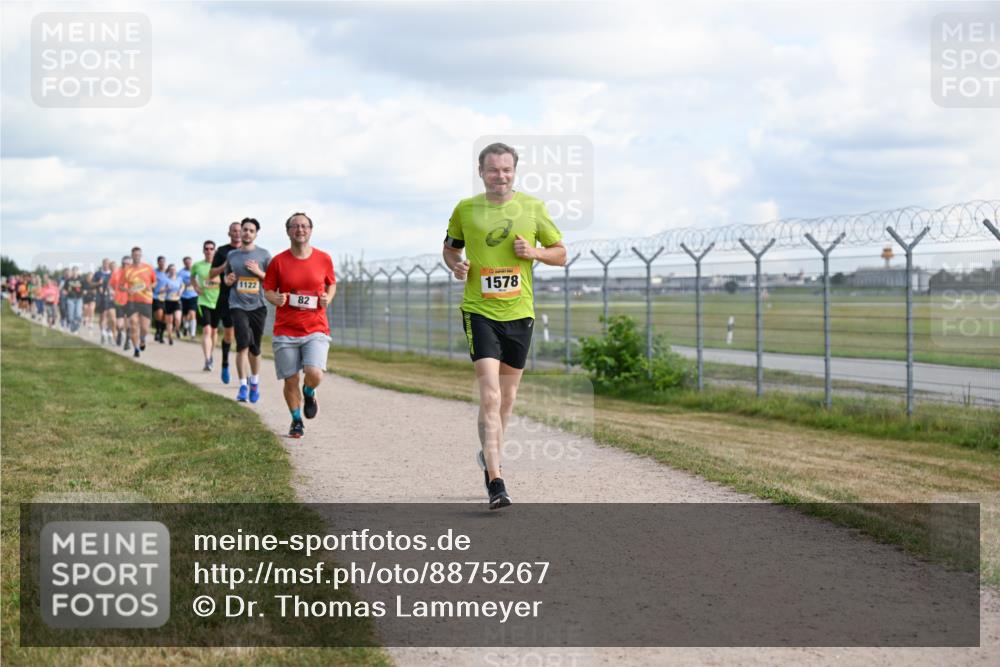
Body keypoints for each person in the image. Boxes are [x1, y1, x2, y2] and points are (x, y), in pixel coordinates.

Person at [442, 142, 566, 509]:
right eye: (493, 169)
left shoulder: (532, 207)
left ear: (515, 171)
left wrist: (535, 253)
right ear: (481, 172)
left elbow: (561, 253)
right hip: (479, 310)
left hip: (519, 312)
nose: (500, 176)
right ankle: (495, 479)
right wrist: (456, 265)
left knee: (507, 399)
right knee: (491, 396)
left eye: (507, 169)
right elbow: (451, 248)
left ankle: (489, 451)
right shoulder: (466, 209)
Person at [263, 212, 336, 438]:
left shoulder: (323, 258)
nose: (300, 230)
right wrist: (274, 298)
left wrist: (328, 298)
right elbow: (268, 289)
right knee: (290, 378)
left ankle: (309, 391)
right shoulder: (278, 261)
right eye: (295, 226)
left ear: (311, 230)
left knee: (315, 372)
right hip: (286, 329)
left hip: (315, 327)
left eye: (304, 226)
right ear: (288, 231)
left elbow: (331, 284)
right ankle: (296, 420)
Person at [222, 218, 270, 403]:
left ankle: (254, 383)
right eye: (245, 230)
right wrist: (228, 280)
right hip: (237, 305)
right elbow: (227, 278)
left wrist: (259, 272)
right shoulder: (232, 256)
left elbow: (272, 280)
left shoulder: (264, 255)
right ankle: (243, 385)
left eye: (251, 230)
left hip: (258, 306)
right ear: (240, 232)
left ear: (256, 234)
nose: (247, 233)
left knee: (255, 348)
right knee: (242, 345)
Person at [209, 222, 243, 383]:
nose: (237, 233)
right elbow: (211, 274)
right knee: (229, 334)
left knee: (244, 336)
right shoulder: (222, 251)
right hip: (227, 298)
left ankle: (246, 375)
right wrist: (224, 265)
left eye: (239, 230)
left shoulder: (249, 250)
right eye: (234, 231)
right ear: (229, 233)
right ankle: (225, 364)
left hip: (245, 298)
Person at [121, 246, 156, 357]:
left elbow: (154, 282)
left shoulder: (148, 268)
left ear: (141, 255)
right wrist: (127, 289)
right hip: (132, 301)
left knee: (145, 328)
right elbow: (121, 286)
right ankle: (136, 349)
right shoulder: (127, 270)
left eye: (138, 255)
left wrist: (150, 286)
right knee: (133, 324)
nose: (137, 256)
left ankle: (142, 339)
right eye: (135, 255)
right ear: (132, 256)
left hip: (146, 300)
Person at [191, 240, 220, 371]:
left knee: (214, 331)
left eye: (211, 249)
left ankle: (211, 354)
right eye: (206, 249)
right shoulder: (197, 265)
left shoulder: (220, 266)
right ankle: (207, 359)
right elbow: (192, 277)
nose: (209, 251)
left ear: (215, 251)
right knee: (207, 330)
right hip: (204, 301)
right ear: (203, 251)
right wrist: (196, 287)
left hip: (218, 301)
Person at [91, 259, 115, 344]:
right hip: (101, 297)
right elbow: (91, 284)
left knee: (111, 316)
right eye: (105, 263)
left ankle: (109, 330)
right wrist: (98, 283)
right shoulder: (98, 274)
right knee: (103, 315)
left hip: (111, 297)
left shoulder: (112, 274)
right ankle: (103, 332)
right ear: (102, 264)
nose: (106, 265)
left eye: (108, 264)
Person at [110, 255, 132, 348]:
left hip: (131, 300)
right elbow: (111, 285)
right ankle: (119, 332)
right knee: (119, 322)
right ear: (122, 263)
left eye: (128, 263)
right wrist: (111, 291)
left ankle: (127, 339)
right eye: (124, 263)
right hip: (119, 300)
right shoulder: (116, 272)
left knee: (129, 320)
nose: (126, 264)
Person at [162, 264, 183, 345]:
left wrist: (181, 290)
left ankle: (177, 329)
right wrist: (166, 289)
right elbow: (160, 290)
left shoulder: (179, 278)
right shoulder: (165, 279)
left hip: (177, 300)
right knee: (169, 321)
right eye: (171, 269)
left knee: (178, 318)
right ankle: (170, 337)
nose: (173, 271)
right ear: (169, 270)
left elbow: (182, 286)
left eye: (174, 269)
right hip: (168, 301)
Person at [178, 256, 199, 339]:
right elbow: (179, 283)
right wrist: (188, 284)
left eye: (189, 262)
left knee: (192, 313)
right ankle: (186, 327)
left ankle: (193, 334)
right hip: (184, 295)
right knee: (185, 315)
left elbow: (200, 280)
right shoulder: (180, 272)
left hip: (193, 295)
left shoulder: (196, 271)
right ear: (184, 263)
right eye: (186, 263)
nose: (188, 264)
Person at [63, 266, 86, 332]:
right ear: (72, 272)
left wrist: (84, 291)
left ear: (78, 272)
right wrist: (64, 292)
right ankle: (73, 329)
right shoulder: (68, 280)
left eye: (76, 271)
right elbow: (65, 289)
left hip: (79, 298)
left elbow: (85, 288)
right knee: (71, 316)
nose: (74, 272)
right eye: (73, 271)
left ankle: (76, 328)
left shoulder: (81, 280)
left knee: (78, 314)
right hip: (70, 299)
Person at [152, 256, 168, 343]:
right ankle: (157, 330)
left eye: (163, 262)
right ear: (158, 262)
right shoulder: (154, 272)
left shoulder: (168, 273)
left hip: (167, 298)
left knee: (165, 318)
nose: (162, 263)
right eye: (160, 262)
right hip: (156, 296)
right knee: (159, 314)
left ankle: (161, 335)